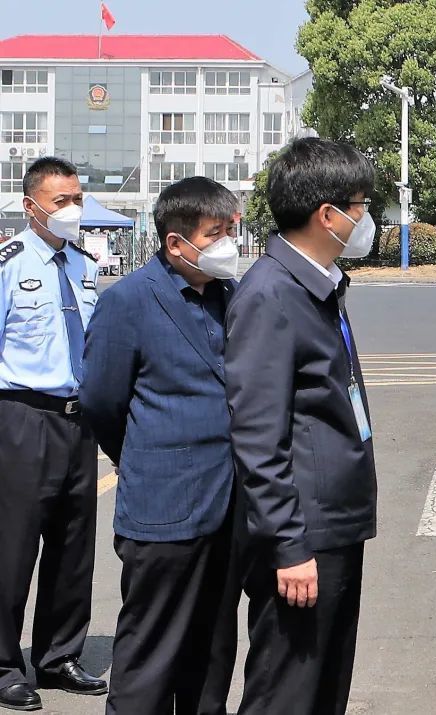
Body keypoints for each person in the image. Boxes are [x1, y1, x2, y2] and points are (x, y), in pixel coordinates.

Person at [225, 137, 378, 715]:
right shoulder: (271, 294)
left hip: (334, 521)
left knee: (324, 688)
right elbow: (257, 437)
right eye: (361, 206)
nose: (367, 220)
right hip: (304, 533)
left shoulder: (319, 282)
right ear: (328, 215)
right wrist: (288, 545)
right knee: (287, 692)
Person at [81, 177, 242, 715]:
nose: (228, 244)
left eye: (231, 231)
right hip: (162, 508)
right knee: (149, 659)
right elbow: (102, 401)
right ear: (176, 243)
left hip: (226, 507)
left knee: (212, 654)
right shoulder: (128, 301)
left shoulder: (230, 296)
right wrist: (143, 459)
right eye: (215, 234)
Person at [0, 157, 106, 712]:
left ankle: (58, 655)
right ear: (30, 206)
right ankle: (2, 664)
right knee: (12, 545)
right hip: (22, 416)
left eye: (77, 199)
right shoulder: (8, 264)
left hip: (77, 418)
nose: (72, 209)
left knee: (73, 543)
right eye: (60, 201)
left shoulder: (84, 265)